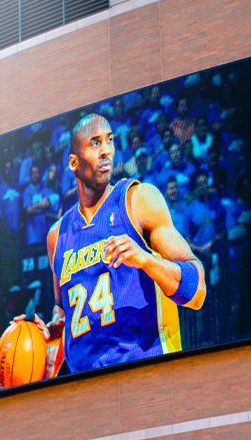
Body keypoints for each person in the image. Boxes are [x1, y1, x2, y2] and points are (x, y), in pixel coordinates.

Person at [37, 113, 206, 373]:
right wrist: (48, 336)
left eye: (110, 140)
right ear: (73, 162)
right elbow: (63, 311)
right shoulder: (57, 236)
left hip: (146, 372)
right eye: (95, 143)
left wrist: (146, 259)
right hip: (88, 385)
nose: (106, 151)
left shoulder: (138, 200)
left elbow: (197, 291)